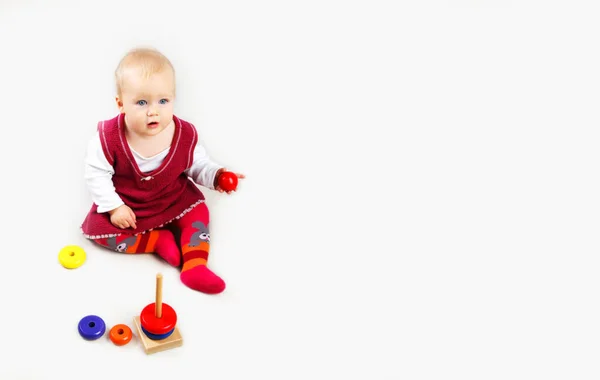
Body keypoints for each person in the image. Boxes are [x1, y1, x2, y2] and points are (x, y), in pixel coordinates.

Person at [80, 47, 244, 295]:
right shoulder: (107, 138)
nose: (153, 111)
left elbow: (196, 163)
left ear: (173, 99)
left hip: (172, 198)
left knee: (197, 213)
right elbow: (96, 175)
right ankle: (155, 241)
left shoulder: (183, 134)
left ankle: (195, 265)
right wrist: (114, 207)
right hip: (130, 206)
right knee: (98, 232)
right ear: (121, 104)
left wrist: (217, 175)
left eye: (163, 101)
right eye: (142, 102)